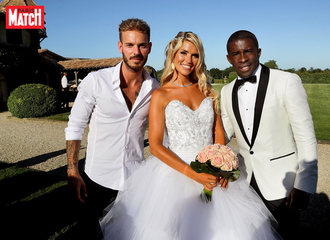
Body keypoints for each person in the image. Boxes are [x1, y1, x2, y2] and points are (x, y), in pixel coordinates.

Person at [100, 31, 281, 240]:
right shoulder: (161, 94)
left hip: (212, 171)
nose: (189, 60)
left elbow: (218, 131)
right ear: (173, 54)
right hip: (174, 174)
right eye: (183, 53)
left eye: (195, 55)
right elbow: (156, 146)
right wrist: (193, 174)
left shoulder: (207, 90)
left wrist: (221, 167)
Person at [64, 18, 160, 238]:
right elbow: (75, 125)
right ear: (120, 47)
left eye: (142, 45)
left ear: (149, 47)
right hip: (97, 179)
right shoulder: (96, 81)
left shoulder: (155, 88)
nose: (136, 51)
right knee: (91, 234)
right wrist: (71, 170)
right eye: (130, 45)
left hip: (135, 181)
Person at [220, 30, 318, 239]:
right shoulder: (226, 91)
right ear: (229, 59)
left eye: (248, 51)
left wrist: (304, 185)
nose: (243, 58)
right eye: (236, 54)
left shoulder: (287, 81)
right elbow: (225, 132)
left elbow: (306, 136)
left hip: (282, 187)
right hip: (245, 184)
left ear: (259, 52)